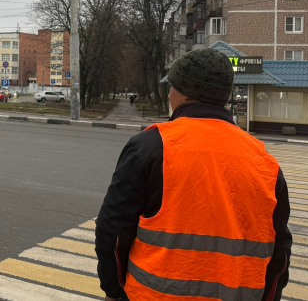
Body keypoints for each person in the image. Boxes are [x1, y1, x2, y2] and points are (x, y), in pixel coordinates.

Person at [95, 48, 292, 301]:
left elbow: (112, 231)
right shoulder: (264, 161)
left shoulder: (151, 146)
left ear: (183, 93)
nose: (168, 94)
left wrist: (113, 290)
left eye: (171, 87)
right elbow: (279, 252)